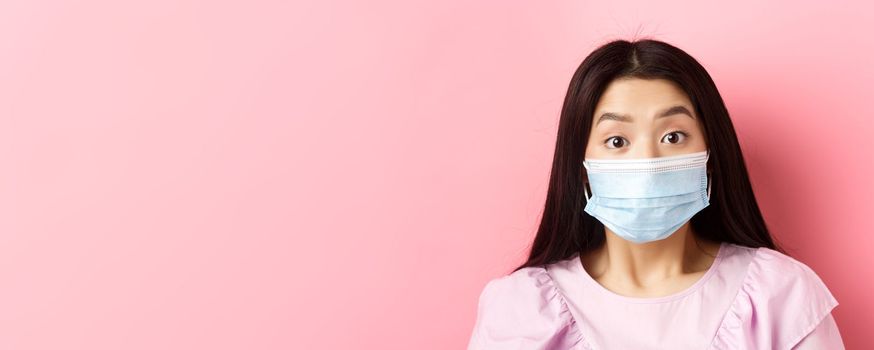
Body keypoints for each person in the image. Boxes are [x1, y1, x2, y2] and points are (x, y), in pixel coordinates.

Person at [466, 39, 844, 349]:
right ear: (581, 168)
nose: (647, 163)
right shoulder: (519, 309)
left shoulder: (780, 295)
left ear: (710, 158)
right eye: (617, 141)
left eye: (672, 137)